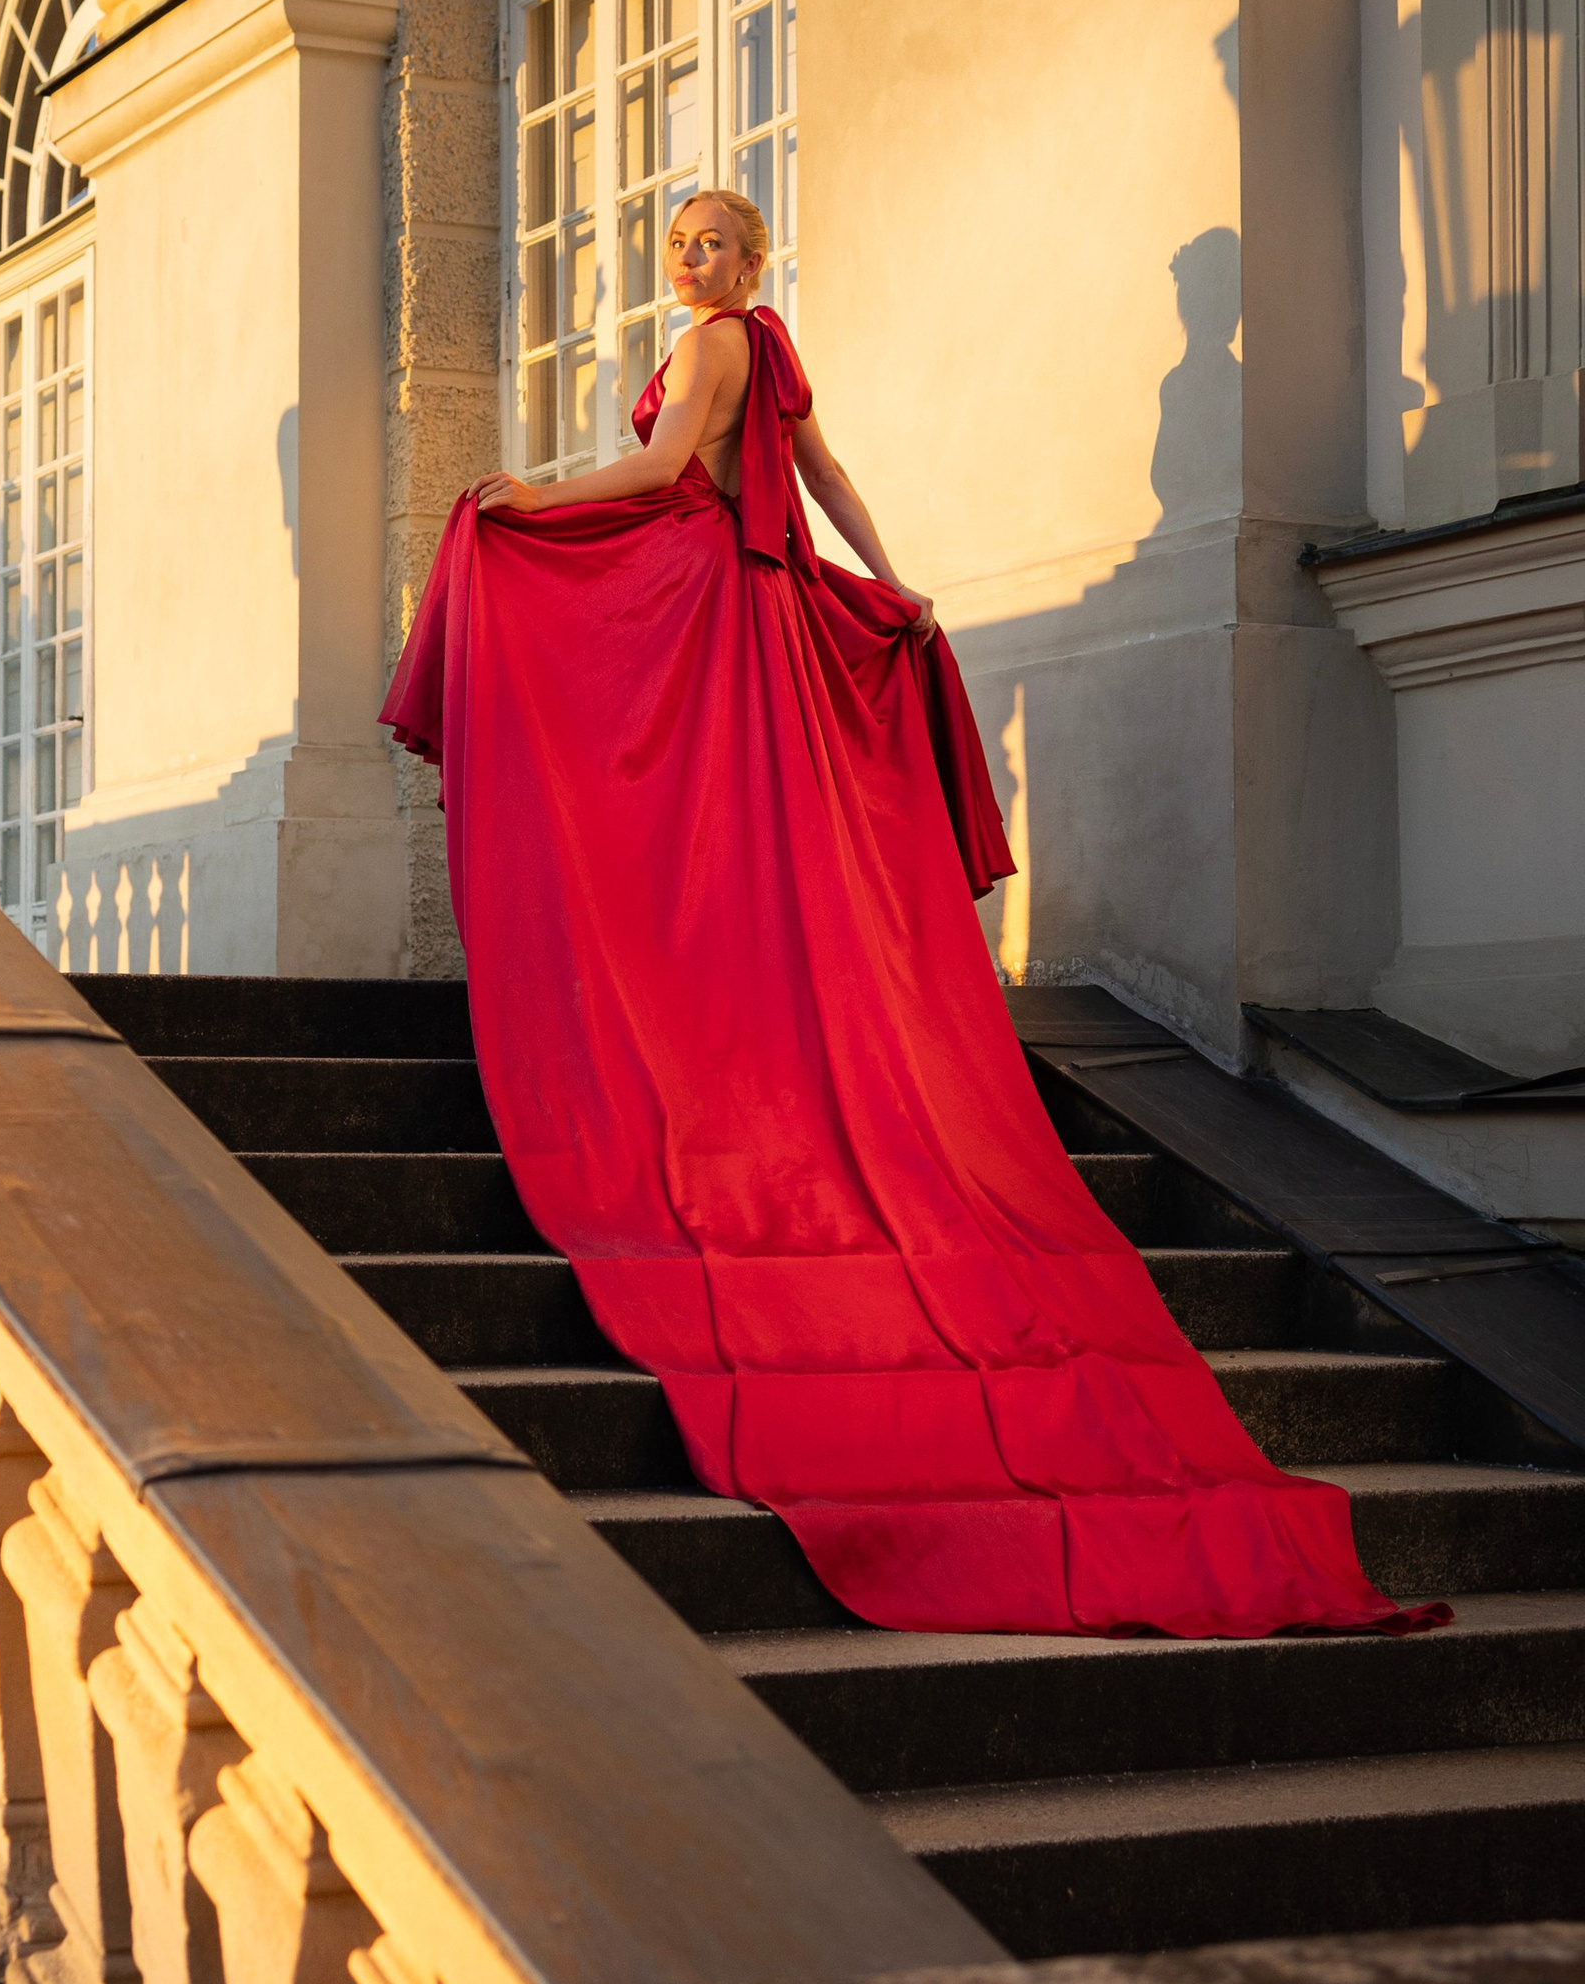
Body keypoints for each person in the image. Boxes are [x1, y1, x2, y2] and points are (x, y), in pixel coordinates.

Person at [382, 188, 1436, 1640]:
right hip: (763, 603)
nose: (692, 261)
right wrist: (890, 582)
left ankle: (680, 997)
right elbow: (821, 475)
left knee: (670, 803)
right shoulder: (772, 343)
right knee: (762, 842)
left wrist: (524, 499)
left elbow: (667, 469)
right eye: (682, 243)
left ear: (752, 264)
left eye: (716, 244)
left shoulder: (714, 346)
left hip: (703, 597)